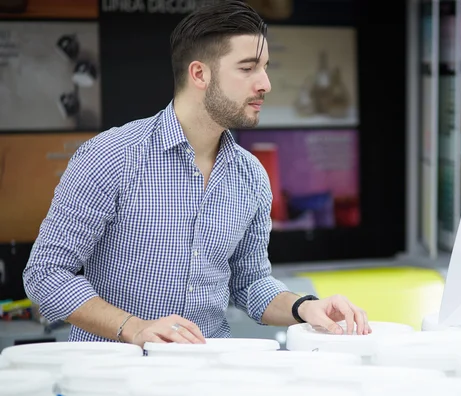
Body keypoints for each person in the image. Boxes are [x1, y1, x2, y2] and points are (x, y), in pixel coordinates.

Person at [23, 0, 371, 348]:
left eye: (264, 67)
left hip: (208, 378)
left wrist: (306, 307)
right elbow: (45, 274)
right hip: (115, 378)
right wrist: (134, 328)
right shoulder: (112, 156)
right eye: (248, 68)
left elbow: (250, 284)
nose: (265, 83)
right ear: (200, 74)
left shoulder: (251, 176)